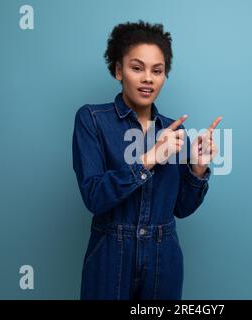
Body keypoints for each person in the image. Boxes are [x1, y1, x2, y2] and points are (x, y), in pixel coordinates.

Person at [72, 20, 222, 300]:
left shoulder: (175, 131)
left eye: (157, 70)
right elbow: (94, 196)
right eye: (136, 68)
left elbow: (182, 208)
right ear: (119, 70)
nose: (148, 79)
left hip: (163, 258)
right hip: (110, 256)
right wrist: (150, 158)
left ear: (165, 75)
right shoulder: (91, 119)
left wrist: (198, 168)